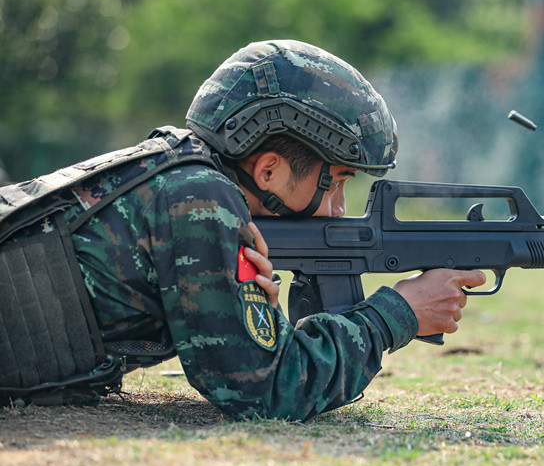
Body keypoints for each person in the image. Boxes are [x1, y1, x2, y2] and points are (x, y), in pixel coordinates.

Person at [0, 40, 485, 421]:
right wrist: (398, 313)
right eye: (335, 183)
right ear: (269, 170)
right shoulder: (200, 198)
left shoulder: (183, 174)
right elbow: (268, 391)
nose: (339, 210)